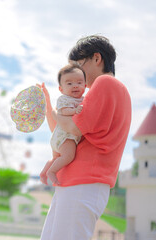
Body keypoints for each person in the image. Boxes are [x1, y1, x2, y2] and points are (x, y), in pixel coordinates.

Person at [39, 35, 132, 240]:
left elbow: (73, 129)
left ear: (96, 58)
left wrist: (60, 111)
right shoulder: (112, 90)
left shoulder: (105, 83)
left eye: (79, 65)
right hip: (78, 182)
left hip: (83, 181)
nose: (78, 73)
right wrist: (49, 107)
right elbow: (64, 133)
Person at [39, 63, 86, 185]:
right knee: (68, 156)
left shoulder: (83, 99)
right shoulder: (64, 99)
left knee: (56, 158)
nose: (75, 86)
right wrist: (74, 111)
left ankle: (44, 172)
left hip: (58, 138)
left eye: (79, 82)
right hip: (65, 137)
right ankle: (52, 172)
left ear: (85, 85)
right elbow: (63, 111)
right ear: (61, 89)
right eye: (69, 83)